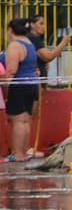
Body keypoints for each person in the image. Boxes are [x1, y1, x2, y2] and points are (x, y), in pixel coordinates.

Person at [4, 18, 40, 162]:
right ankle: (23, 152)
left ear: (11, 30)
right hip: (32, 85)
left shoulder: (15, 46)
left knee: (18, 120)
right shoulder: (29, 44)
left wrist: (6, 91)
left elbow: (11, 70)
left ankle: (17, 153)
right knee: (25, 120)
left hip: (19, 85)